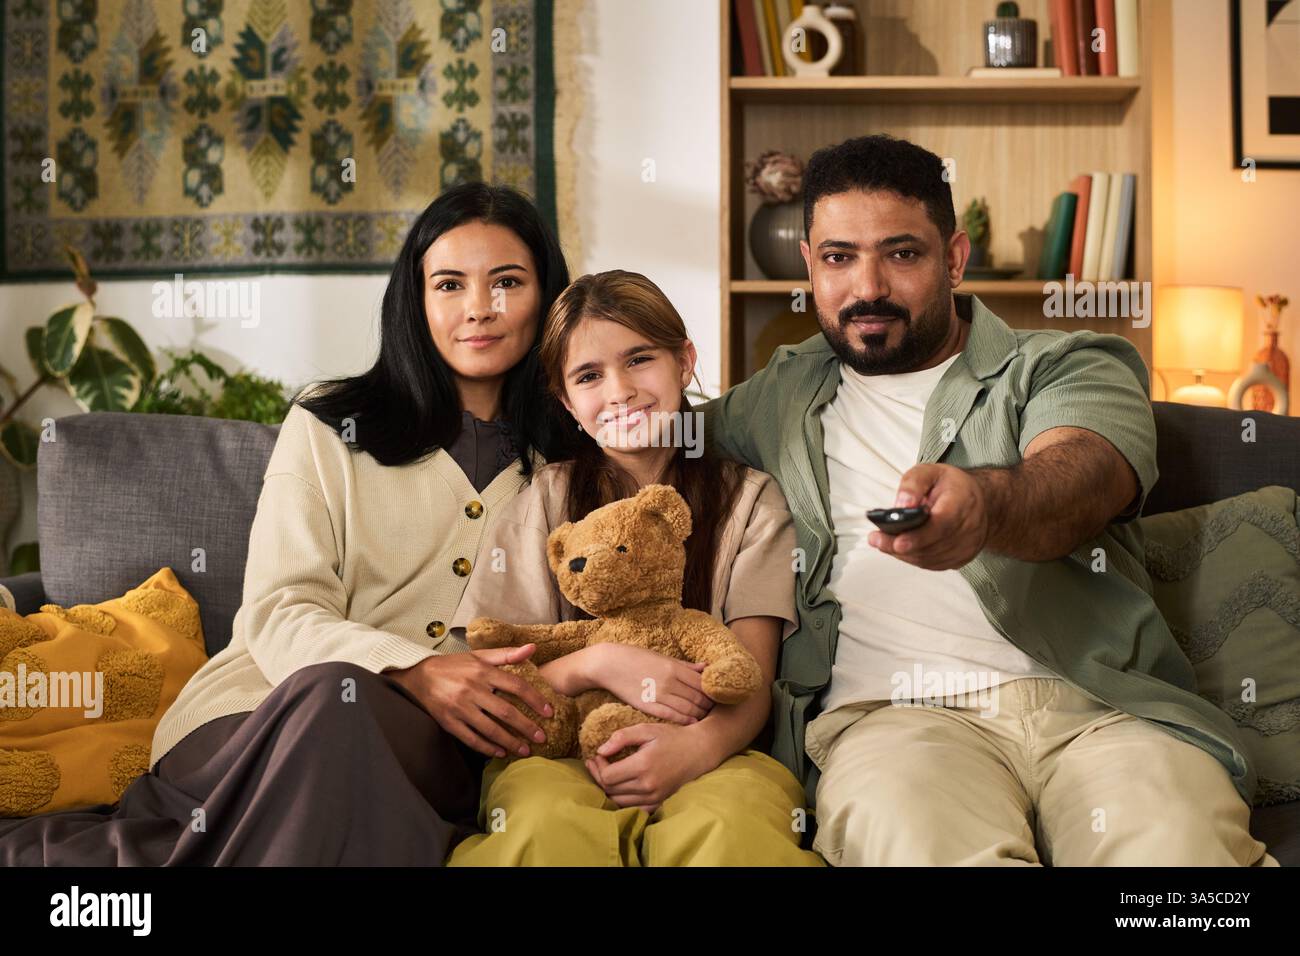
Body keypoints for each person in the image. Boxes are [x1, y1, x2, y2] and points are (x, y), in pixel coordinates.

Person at [698, 133, 1279, 866]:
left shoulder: (1064, 363)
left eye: (902, 254)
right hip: (896, 723)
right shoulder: (769, 402)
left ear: (955, 258)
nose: (868, 285)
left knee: (1176, 861)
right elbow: (629, 439)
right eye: (840, 257)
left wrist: (985, 506)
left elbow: (1084, 473)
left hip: (1101, 713)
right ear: (810, 263)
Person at [0, 182, 577, 865]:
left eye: (506, 282)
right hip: (249, 712)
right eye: (449, 284)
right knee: (334, 702)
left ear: (547, 296)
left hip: (435, 748)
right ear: (416, 304)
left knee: (343, 719)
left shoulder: (575, 458)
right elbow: (278, 608)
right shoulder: (331, 423)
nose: (479, 308)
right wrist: (415, 670)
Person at [445, 270, 823, 865]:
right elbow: (501, 675)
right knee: (545, 825)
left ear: (684, 362)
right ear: (568, 403)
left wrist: (695, 749)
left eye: (640, 359)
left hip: (714, 748)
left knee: (733, 825)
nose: (619, 391)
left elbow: (750, 679)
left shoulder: (750, 499)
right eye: (590, 376)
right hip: (560, 749)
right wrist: (600, 662)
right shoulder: (543, 502)